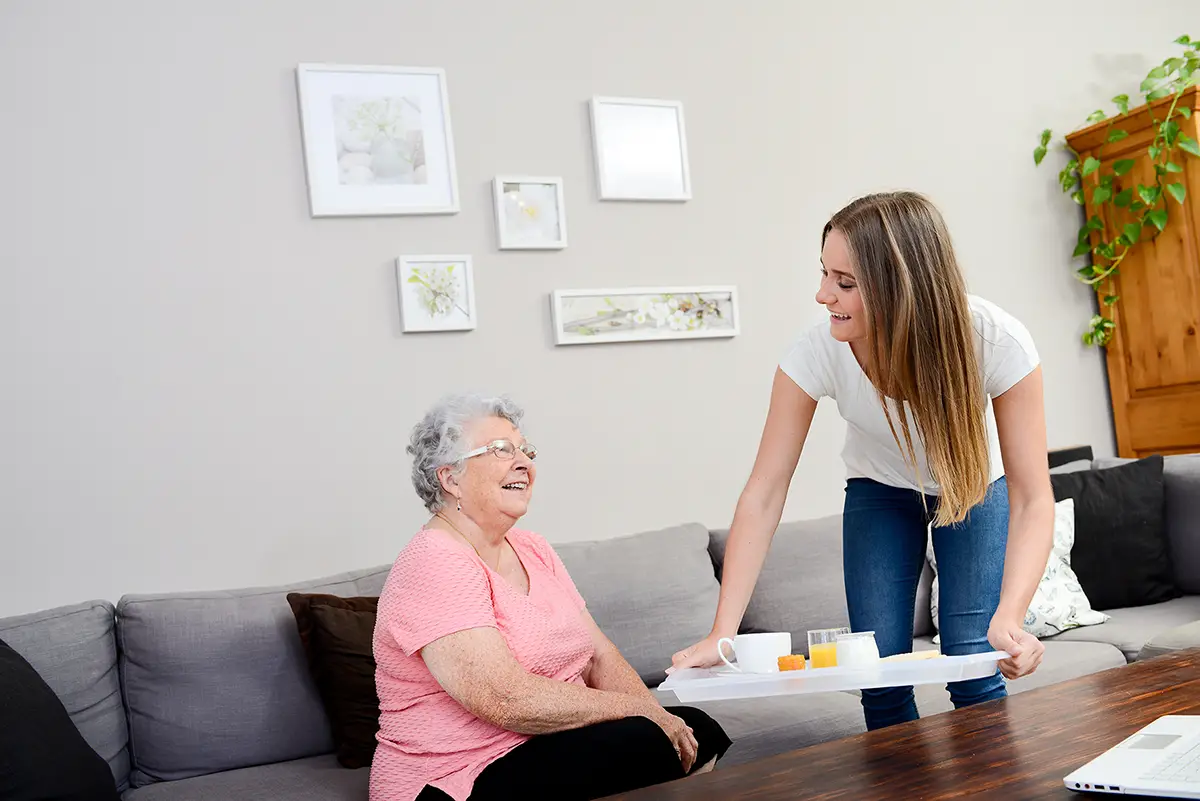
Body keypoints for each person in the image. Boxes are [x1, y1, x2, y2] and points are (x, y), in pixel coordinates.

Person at [671, 191, 1054, 731]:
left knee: (975, 663)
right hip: (879, 491)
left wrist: (1011, 617)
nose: (823, 294)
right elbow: (765, 489)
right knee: (878, 677)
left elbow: (1034, 496)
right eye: (825, 274)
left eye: (845, 282)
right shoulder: (818, 351)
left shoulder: (994, 340)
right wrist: (723, 633)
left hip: (973, 487)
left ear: (903, 286)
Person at [371, 393, 732, 801]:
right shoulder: (435, 561)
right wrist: (640, 712)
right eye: (501, 451)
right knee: (642, 741)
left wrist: (659, 716)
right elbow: (503, 699)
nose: (524, 463)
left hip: (540, 747)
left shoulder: (532, 548)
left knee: (695, 729)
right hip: (457, 775)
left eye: (526, 450)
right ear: (450, 478)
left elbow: (600, 657)